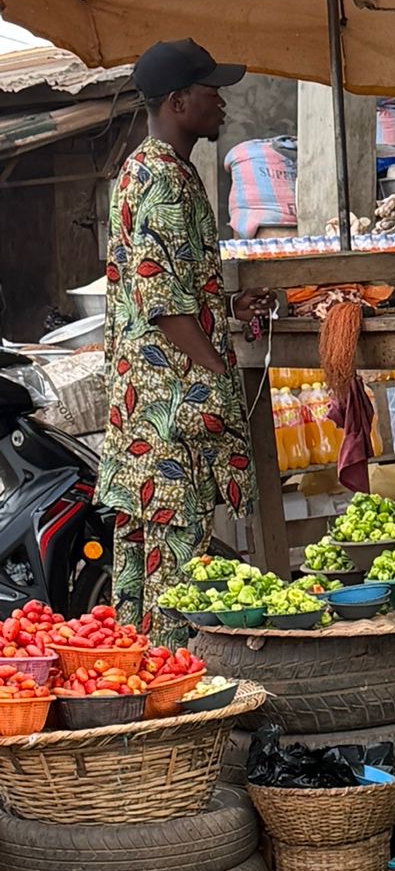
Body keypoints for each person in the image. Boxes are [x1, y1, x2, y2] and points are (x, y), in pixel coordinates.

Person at [100, 39, 273, 633]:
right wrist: (218, 375)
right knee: (177, 590)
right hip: (171, 419)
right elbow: (162, 305)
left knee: (140, 585)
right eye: (210, 91)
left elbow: (171, 288)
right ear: (178, 101)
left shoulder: (145, 171)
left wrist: (225, 305)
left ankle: (134, 703)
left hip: (144, 415)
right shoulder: (164, 181)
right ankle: (176, 712)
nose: (222, 102)